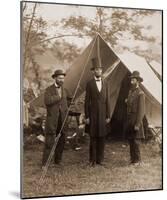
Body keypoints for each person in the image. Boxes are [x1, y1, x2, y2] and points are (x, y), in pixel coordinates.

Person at [84, 58, 110, 167]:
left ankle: (100, 160)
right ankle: (92, 160)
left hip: (103, 115)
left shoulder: (106, 82)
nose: (98, 71)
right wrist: (87, 116)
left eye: (100, 69)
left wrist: (108, 115)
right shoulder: (89, 84)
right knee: (93, 137)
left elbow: (108, 100)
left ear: (101, 71)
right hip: (93, 115)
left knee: (102, 137)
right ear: (93, 71)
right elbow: (86, 101)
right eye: (96, 69)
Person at [42, 69, 68, 167]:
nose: (62, 80)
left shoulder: (64, 90)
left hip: (62, 120)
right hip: (52, 120)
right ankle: (45, 163)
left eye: (63, 78)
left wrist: (67, 109)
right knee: (49, 141)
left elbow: (66, 103)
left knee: (61, 140)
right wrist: (58, 97)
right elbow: (47, 101)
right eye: (60, 78)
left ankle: (58, 161)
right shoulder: (49, 90)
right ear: (55, 78)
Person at [125, 71, 145, 166]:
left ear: (138, 81)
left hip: (136, 119)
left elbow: (141, 110)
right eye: (131, 79)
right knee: (131, 140)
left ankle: (137, 160)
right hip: (129, 119)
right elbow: (129, 104)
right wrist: (127, 101)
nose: (131, 81)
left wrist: (138, 124)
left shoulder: (141, 93)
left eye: (133, 79)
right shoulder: (130, 92)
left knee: (136, 141)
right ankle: (133, 160)